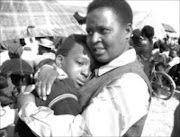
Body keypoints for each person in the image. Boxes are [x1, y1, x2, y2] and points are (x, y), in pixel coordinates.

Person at [18, 0, 152, 136]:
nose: (93, 39)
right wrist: (49, 67)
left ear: (127, 31)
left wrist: (27, 109)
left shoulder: (130, 84)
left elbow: (80, 133)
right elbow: (67, 54)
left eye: (104, 30)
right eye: (89, 31)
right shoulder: (106, 62)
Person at [16, 34, 95, 137]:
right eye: (80, 63)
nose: (86, 73)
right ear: (59, 61)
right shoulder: (64, 91)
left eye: (92, 68)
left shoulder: (53, 83)